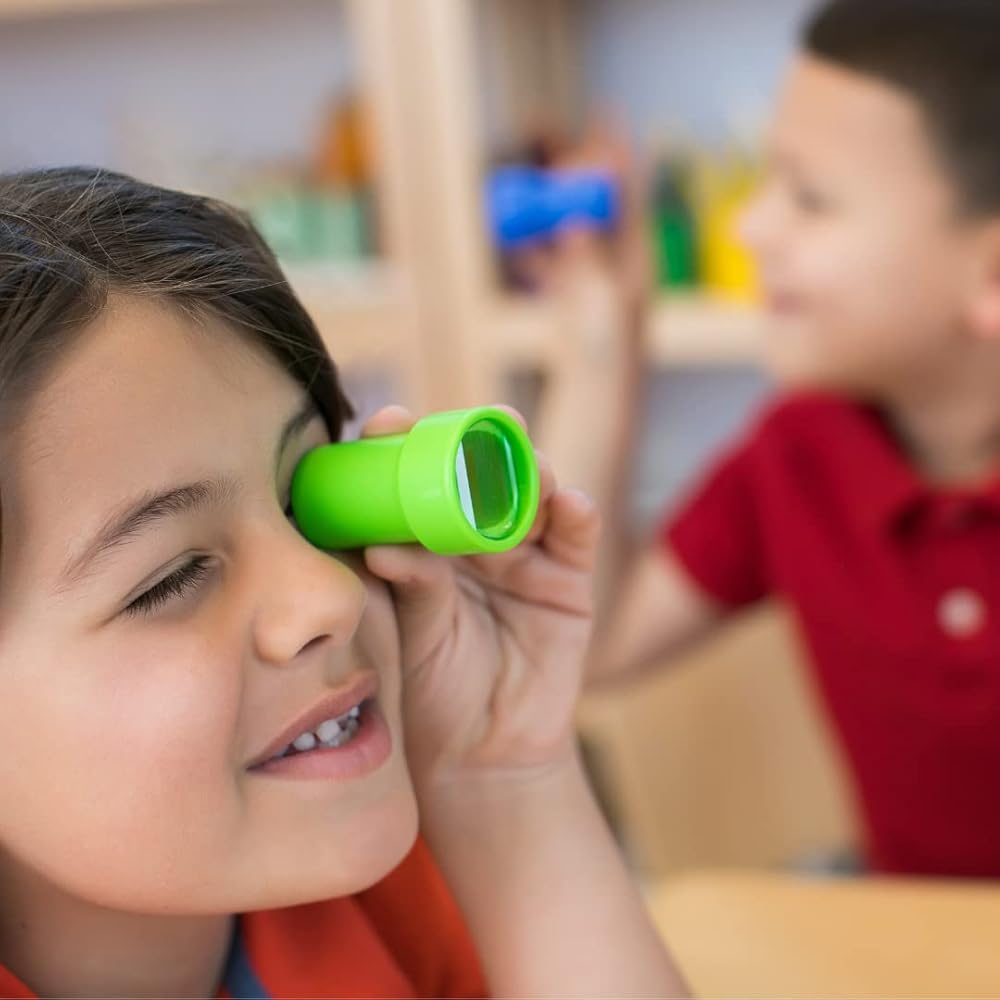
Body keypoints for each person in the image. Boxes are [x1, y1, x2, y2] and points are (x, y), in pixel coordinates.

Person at [0, 166, 686, 998]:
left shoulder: (375, 898)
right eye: (172, 579)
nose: (331, 593)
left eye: (310, 499)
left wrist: (503, 775)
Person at [576, 0, 1000, 878]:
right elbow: (586, 646)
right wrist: (601, 342)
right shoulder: (800, 454)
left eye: (810, 199)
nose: (750, 228)